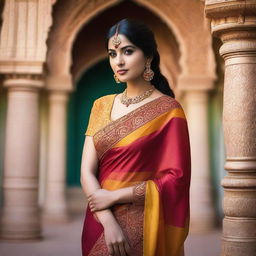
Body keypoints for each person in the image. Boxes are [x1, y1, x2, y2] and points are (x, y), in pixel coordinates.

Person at [80, 18, 191, 256]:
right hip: (98, 220)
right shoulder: (100, 105)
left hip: (143, 222)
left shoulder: (169, 110)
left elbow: (177, 179)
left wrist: (115, 196)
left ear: (148, 56)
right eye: (112, 53)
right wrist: (108, 222)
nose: (118, 61)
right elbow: (87, 172)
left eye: (127, 51)